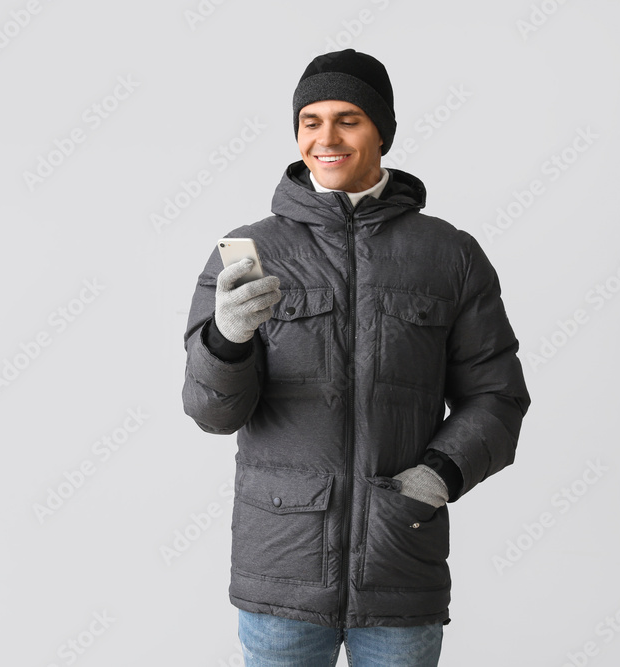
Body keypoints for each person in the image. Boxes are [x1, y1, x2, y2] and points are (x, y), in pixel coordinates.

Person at [180, 48, 530, 666]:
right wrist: (226, 340)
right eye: (310, 121)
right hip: (280, 572)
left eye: (348, 119)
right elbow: (212, 413)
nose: (327, 137)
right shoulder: (248, 253)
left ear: (382, 132)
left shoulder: (449, 254)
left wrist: (438, 477)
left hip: (399, 563)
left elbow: (497, 395)